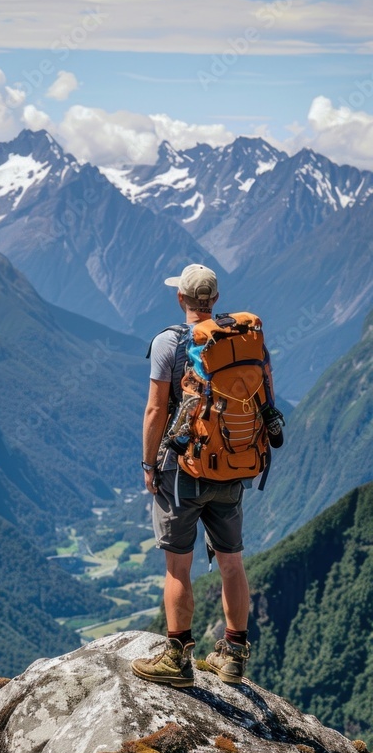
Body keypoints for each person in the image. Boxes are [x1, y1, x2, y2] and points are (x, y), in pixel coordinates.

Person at [131, 263, 261, 689]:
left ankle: (177, 657)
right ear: (216, 300)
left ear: (180, 298)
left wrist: (150, 465)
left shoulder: (170, 342)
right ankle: (235, 655)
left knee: (178, 567)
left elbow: (155, 410)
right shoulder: (243, 339)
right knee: (231, 562)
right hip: (231, 464)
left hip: (181, 470)